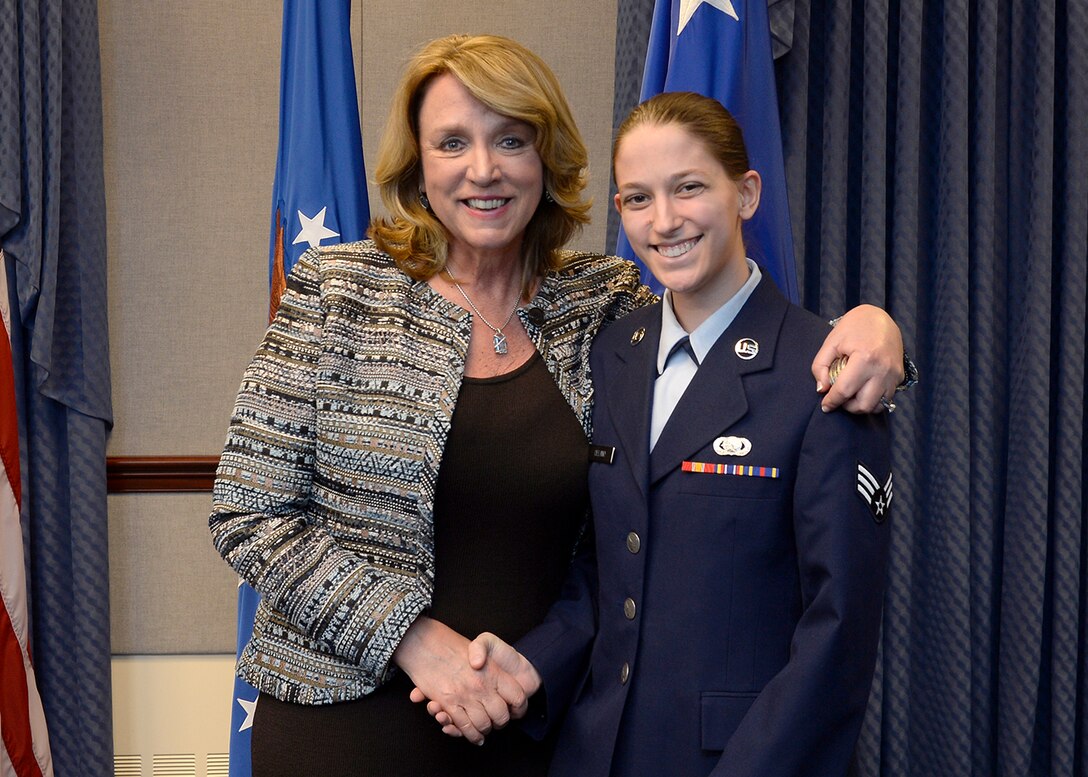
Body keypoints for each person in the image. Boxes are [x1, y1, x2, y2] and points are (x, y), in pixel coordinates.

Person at [209, 35, 906, 777]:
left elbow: (734, 344)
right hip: (346, 725)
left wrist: (880, 330)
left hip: (536, 722)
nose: (484, 169)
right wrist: (412, 638)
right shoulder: (339, 289)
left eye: (510, 139)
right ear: (418, 165)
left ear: (545, 157)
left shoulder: (605, 303)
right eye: (452, 142)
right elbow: (248, 509)